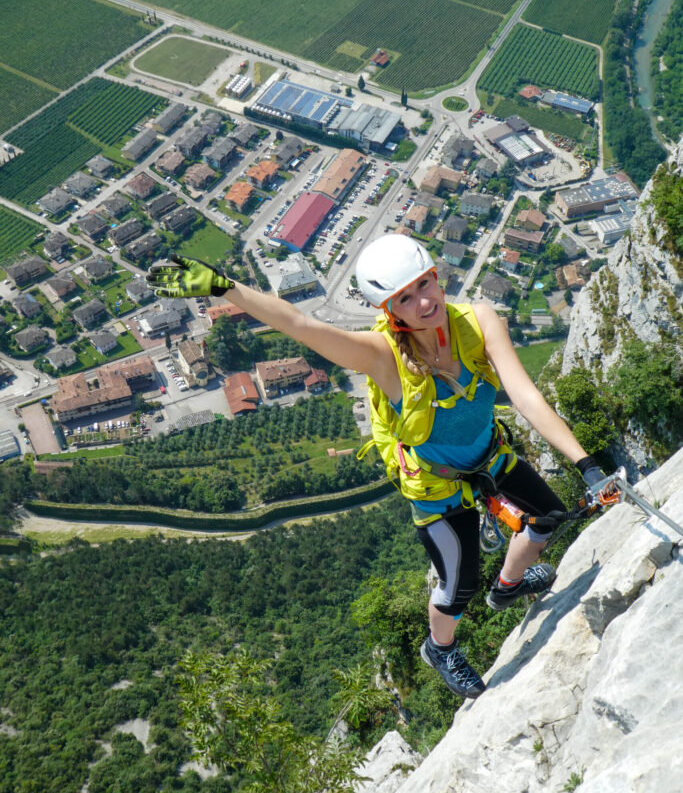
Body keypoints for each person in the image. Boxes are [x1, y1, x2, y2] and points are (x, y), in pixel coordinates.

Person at [147, 237, 606, 699]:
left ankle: (508, 585)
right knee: (458, 584)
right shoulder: (382, 357)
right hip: (436, 488)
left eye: (425, 284)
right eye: (405, 297)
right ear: (391, 310)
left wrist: (585, 464)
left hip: (490, 457)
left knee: (547, 519)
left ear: (437, 277)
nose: (424, 301)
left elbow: (525, 397)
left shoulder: (480, 321)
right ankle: (440, 648)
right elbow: (301, 325)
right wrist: (227, 289)